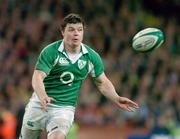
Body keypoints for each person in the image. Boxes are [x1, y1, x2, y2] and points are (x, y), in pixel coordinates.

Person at [19, 13, 139, 139]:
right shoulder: (51, 51)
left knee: (57, 137)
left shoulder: (91, 57)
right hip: (40, 103)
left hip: (64, 108)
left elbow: (102, 82)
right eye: (71, 30)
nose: (76, 33)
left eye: (79, 30)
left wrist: (116, 98)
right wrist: (43, 96)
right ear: (62, 32)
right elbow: (38, 76)